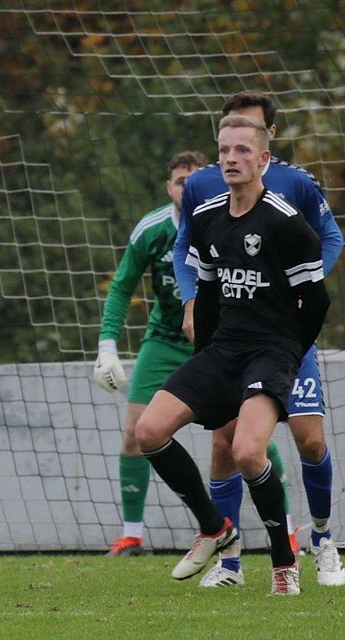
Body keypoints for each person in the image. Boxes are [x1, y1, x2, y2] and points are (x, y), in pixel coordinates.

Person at [136, 114, 330, 596]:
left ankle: (284, 562)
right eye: (223, 150)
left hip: (272, 353)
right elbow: (205, 293)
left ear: (263, 158)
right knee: (149, 430)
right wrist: (203, 355)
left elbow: (317, 302)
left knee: (246, 452)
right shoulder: (207, 217)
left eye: (242, 150)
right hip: (222, 350)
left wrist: (289, 353)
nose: (230, 158)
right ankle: (215, 528)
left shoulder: (286, 222)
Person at [93, 151, 207, 557]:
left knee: (244, 441)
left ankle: (285, 530)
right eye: (180, 182)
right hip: (164, 340)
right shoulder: (152, 230)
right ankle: (132, 536)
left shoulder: (225, 223)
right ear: (168, 187)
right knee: (135, 434)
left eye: (195, 181)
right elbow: (122, 286)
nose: (187, 188)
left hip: (216, 343)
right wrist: (107, 346)